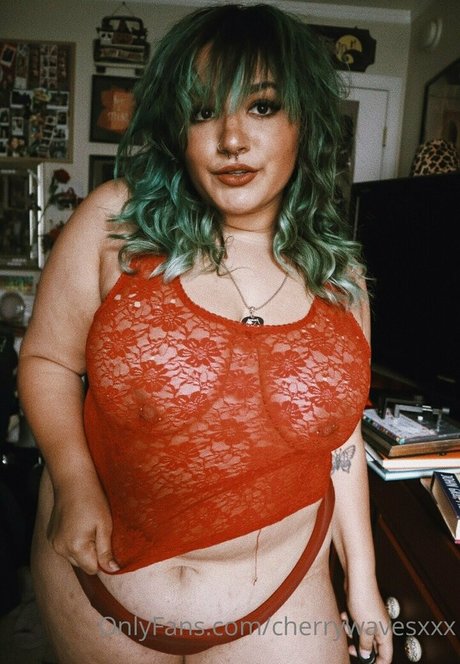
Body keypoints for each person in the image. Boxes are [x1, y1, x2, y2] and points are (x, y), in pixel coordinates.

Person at [18, 4, 393, 663]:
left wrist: (362, 581)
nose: (231, 139)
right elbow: (48, 359)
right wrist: (73, 480)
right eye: (203, 111)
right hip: (99, 593)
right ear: (178, 128)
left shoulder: (342, 281)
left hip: (280, 603)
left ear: (304, 121)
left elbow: (341, 440)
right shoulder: (116, 224)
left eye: (262, 106)